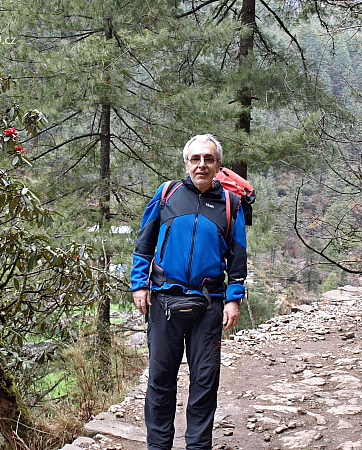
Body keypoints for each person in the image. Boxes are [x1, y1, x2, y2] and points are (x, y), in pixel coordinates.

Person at [130, 134, 248, 449]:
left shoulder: (231, 204)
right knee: (160, 382)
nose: (201, 165)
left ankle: (198, 446)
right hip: (164, 300)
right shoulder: (168, 193)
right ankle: (158, 445)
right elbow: (145, 242)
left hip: (209, 304)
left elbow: (237, 257)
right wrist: (139, 284)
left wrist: (234, 299)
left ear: (218, 165)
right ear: (186, 162)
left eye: (208, 159)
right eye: (195, 159)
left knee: (205, 384)